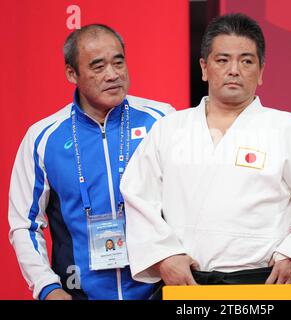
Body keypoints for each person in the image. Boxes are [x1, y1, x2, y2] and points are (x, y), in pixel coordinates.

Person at [120, 13, 291, 294]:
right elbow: (137, 194)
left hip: (261, 283)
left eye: (246, 61)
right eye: (222, 60)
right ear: (204, 68)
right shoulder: (169, 129)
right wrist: (163, 255)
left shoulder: (290, 129)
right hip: (186, 282)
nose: (234, 70)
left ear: (261, 70)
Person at [8, 24, 174, 300]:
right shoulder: (43, 137)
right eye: (98, 67)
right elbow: (25, 224)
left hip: (157, 290)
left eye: (118, 62)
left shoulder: (161, 120)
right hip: (79, 292)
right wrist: (47, 287)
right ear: (72, 73)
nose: (113, 74)